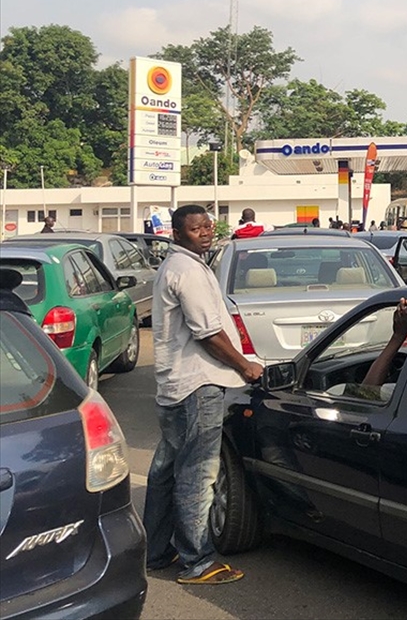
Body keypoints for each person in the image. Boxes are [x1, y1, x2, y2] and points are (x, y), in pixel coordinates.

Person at [144, 204, 263, 585]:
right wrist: (245, 366)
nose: (205, 232)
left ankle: (156, 551)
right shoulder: (187, 271)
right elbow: (208, 334)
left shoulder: (181, 266)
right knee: (198, 472)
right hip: (197, 384)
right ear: (177, 235)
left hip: (175, 384)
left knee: (167, 470)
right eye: (195, 228)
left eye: (208, 226)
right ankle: (197, 560)